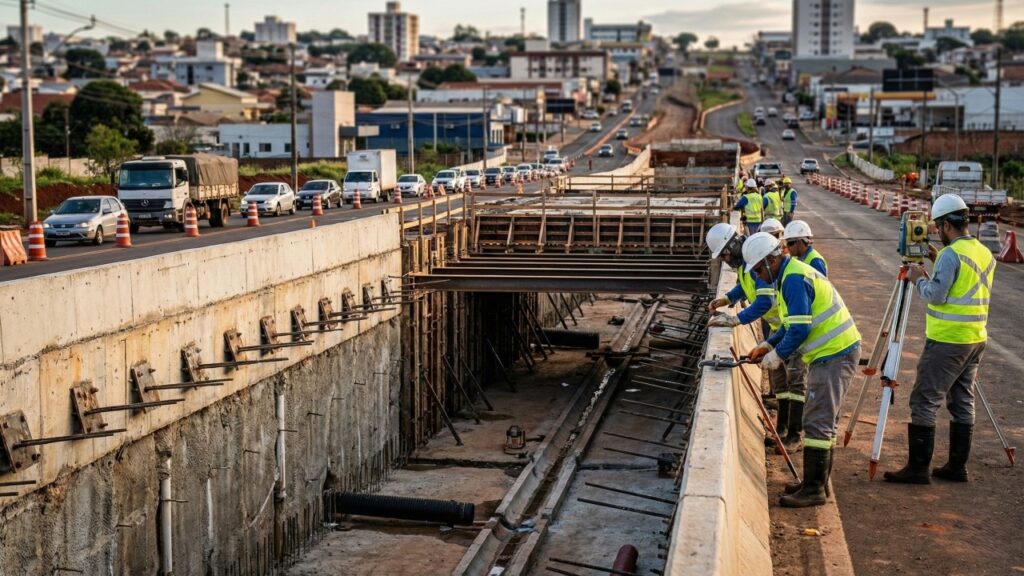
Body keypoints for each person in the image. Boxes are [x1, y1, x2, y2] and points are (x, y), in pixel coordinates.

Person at [744, 232, 861, 508]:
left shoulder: (793, 279)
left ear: (772, 260)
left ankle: (814, 489)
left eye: (759, 269)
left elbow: (799, 329)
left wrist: (777, 356)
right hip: (833, 352)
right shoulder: (789, 275)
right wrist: (767, 344)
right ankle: (816, 484)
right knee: (823, 420)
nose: (759, 276)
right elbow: (789, 324)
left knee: (818, 420)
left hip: (834, 353)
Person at [884, 194, 994, 485]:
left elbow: (936, 295)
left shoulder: (950, 255)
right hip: (975, 338)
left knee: (924, 399)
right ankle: (957, 467)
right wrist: (935, 260)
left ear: (946, 225)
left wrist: (918, 278)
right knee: (962, 399)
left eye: (937, 226)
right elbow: (963, 284)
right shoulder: (982, 251)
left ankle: (918, 469)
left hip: (948, 340)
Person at [704, 223, 788, 440]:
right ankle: (784, 427)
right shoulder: (746, 265)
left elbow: (764, 302)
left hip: (790, 326)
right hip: (781, 328)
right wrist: (727, 298)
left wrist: (735, 320)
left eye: (725, 255)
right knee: (782, 381)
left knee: (794, 381)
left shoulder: (757, 259)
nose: (725, 261)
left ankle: (791, 431)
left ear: (732, 247)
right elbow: (745, 286)